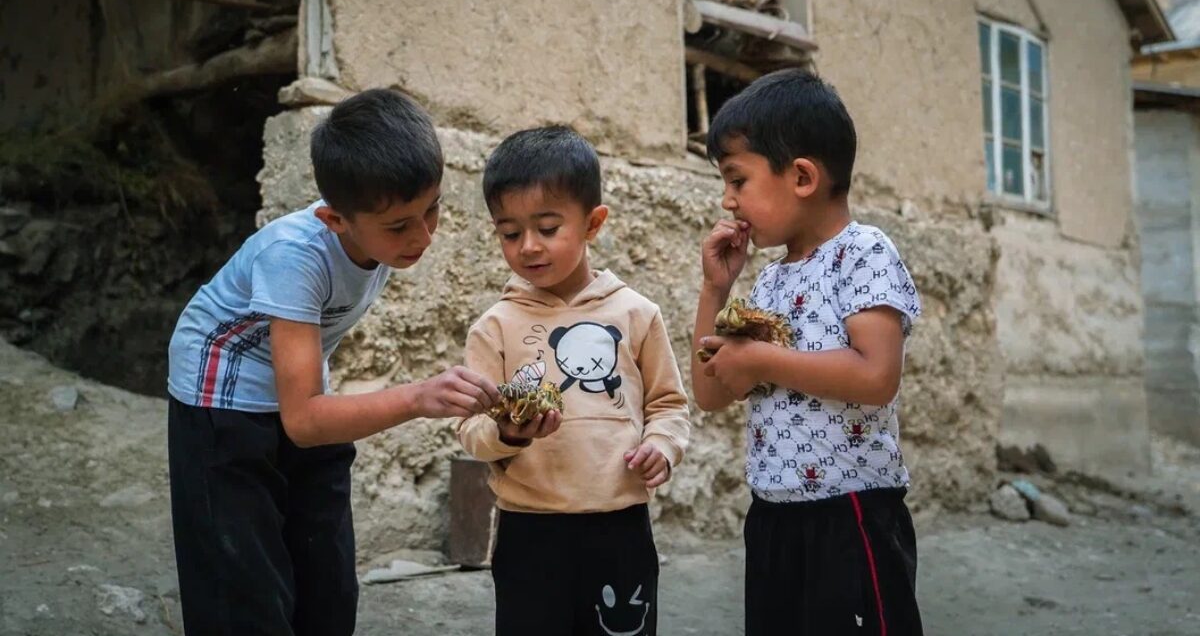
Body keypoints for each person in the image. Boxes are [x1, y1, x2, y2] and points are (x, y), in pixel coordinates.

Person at [166, 88, 499, 635]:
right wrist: (419, 397)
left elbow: (304, 413)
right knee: (242, 592)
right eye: (400, 226)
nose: (423, 236)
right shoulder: (293, 257)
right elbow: (303, 421)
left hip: (301, 389)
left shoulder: (382, 232)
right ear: (335, 219)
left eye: (432, 209)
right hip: (220, 403)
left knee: (328, 584)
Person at [692, 69, 925, 635]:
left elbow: (876, 376)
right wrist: (715, 289)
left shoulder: (863, 252)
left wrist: (761, 360)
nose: (727, 200)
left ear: (801, 176)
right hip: (773, 514)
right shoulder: (770, 281)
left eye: (738, 179)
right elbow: (712, 393)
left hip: (851, 514)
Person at [457, 125, 690, 636]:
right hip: (528, 527)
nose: (528, 247)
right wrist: (506, 433)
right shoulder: (494, 326)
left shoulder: (637, 314)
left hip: (619, 524)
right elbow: (471, 429)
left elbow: (668, 404)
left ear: (593, 223)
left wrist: (662, 446)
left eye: (548, 227)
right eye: (510, 233)